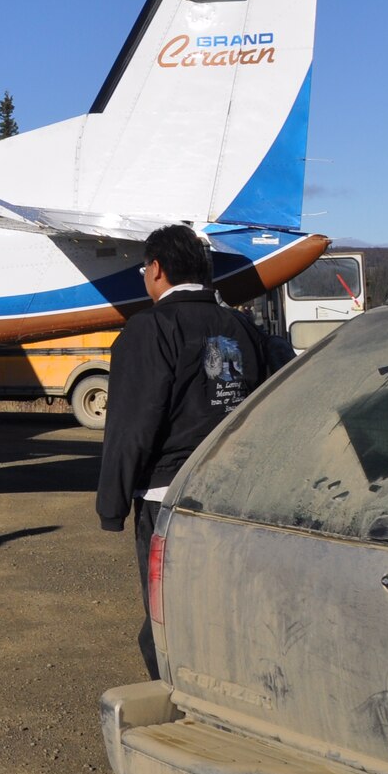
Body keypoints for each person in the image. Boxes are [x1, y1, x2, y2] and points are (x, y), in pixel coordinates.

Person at [97, 224, 277, 676]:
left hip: (168, 499)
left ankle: (180, 709)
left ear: (156, 269)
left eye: (144, 268)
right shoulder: (243, 327)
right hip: (236, 495)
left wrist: (111, 505)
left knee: (170, 618)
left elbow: (131, 424)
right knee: (226, 610)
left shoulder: (151, 328)